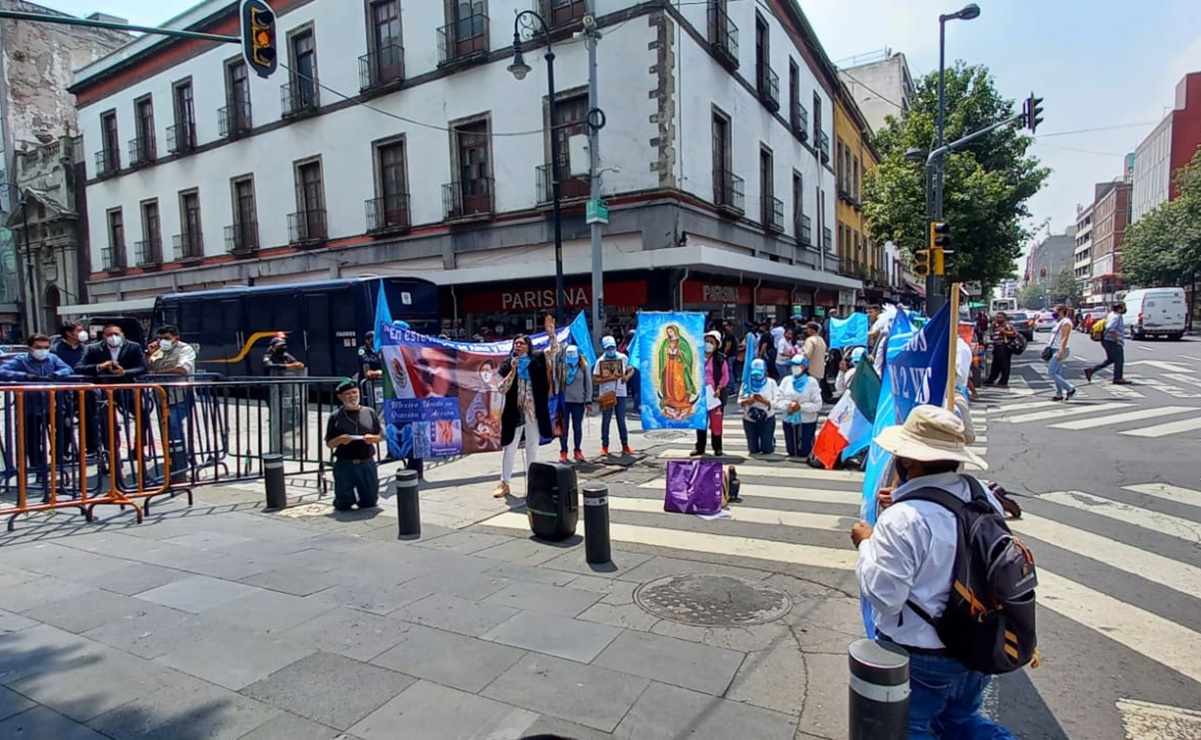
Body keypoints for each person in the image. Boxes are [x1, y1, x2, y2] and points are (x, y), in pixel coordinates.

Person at [850, 404, 1015, 739]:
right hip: (977, 641)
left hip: (923, 655)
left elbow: (885, 598)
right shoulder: (980, 493)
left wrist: (866, 544)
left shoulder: (905, 518)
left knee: (910, 728)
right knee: (961, 722)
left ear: (908, 461)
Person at [494, 315, 559, 498]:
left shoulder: (537, 358)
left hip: (534, 411)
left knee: (532, 446)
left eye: (521, 343)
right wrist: (513, 371)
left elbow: (554, 351)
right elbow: (501, 388)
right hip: (515, 411)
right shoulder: (508, 363)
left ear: (528, 345)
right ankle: (504, 482)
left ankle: (534, 482)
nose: (518, 346)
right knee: (510, 447)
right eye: (516, 343)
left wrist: (551, 334)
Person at [0, 334, 73, 475]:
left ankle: (59, 456)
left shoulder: (53, 359)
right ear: (30, 348)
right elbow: (2, 371)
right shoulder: (21, 360)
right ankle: (37, 467)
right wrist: (24, 377)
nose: (42, 350)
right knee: (32, 438)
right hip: (30, 407)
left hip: (52, 404)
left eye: (46, 347)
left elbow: (68, 369)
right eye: (38, 347)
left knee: (66, 427)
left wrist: (56, 375)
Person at [146, 325, 198, 481]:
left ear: (176, 338)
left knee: (173, 425)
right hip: (161, 396)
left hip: (180, 395)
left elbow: (182, 369)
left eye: (167, 338)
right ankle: (173, 461)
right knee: (166, 429)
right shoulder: (158, 351)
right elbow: (148, 367)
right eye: (160, 338)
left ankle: (180, 467)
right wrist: (149, 354)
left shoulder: (185, 349)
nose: (162, 341)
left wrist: (156, 374)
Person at [324, 379, 384, 511]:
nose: (352, 396)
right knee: (344, 504)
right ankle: (344, 499)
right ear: (340, 397)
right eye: (348, 394)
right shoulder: (335, 416)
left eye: (354, 392)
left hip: (366, 462)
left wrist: (373, 438)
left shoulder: (369, 412)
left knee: (370, 502)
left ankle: (363, 496)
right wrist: (340, 439)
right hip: (345, 463)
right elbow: (329, 443)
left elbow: (380, 436)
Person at [52, 322, 97, 459]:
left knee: (90, 418)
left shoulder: (86, 349)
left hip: (85, 388)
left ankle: (91, 449)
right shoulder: (56, 350)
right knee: (64, 421)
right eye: (79, 330)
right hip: (63, 390)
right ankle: (63, 452)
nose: (82, 333)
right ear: (69, 333)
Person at [775, 355, 822, 459]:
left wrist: (801, 407)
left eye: (797, 365)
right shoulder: (786, 381)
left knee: (804, 451)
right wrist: (789, 406)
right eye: (793, 365)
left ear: (804, 367)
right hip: (789, 419)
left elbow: (818, 404)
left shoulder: (812, 382)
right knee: (792, 451)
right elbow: (778, 400)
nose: (794, 368)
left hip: (806, 421)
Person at [595, 335, 634, 455]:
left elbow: (631, 369)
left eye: (612, 347)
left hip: (620, 393)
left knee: (621, 420)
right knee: (606, 420)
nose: (610, 350)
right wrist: (607, 379)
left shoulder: (622, 358)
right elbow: (595, 378)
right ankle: (605, 446)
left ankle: (625, 445)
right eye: (608, 348)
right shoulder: (600, 361)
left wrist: (626, 377)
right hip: (606, 393)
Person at [693, 331, 730, 457]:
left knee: (716, 423)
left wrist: (719, 387)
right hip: (700, 394)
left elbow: (725, 376)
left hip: (715, 396)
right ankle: (700, 447)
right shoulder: (697, 357)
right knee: (700, 422)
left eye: (711, 342)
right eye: (706, 341)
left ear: (717, 345)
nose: (708, 344)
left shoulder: (720, 359)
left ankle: (717, 448)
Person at [75, 324, 147, 382]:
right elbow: (79, 368)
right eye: (109, 335)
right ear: (104, 337)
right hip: (103, 389)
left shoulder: (134, 347)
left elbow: (142, 367)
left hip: (126, 389)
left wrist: (124, 372)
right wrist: (100, 366)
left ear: (122, 335)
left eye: (116, 334)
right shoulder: (92, 348)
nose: (113, 337)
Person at [737, 358, 779, 455]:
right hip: (750, 418)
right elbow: (739, 400)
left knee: (767, 450)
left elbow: (777, 402)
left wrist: (764, 401)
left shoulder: (771, 383)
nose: (756, 376)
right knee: (753, 449)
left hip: (767, 417)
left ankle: (770, 440)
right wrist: (746, 401)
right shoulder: (746, 384)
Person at [559, 345, 592, 463]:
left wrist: (588, 400)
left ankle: (577, 450)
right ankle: (563, 451)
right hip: (564, 402)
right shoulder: (562, 367)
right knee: (564, 428)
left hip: (578, 401)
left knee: (577, 427)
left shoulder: (584, 367)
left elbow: (588, 384)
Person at [1085, 303, 1129, 385]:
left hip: (1106, 340)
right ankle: (1118, 378)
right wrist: (1116, 338)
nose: (1124, 309)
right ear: (1120, 308)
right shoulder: (1116, 316)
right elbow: (1110, 327)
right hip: (1112, 341)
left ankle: (1091, 370)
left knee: (1111, 359)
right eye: (1123, 307)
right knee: (1119, 360)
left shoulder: (1110, 315)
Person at [1048, 305, 1076, 402]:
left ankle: (1070, 388)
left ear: (1061, 311)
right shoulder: (1059, 322)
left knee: (1051, 372)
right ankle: (1059, 394)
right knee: (1057, 373)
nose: (1053, 313)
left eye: (1055, 311)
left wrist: (1061, 351)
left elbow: (1064, 338)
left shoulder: (1066, 322)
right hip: (1054, 349)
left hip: (1060, 349)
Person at [984, 312, 1017, 387]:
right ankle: (991, 379)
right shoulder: (995, 325)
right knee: (995, 364)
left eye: (1001, 317)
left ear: (1004, 318)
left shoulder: (1007, 325)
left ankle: (1004, 381)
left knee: (1004, 365)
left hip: (1004, 347)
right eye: (997, 317)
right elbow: (993, 335)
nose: (998, 319)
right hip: (996, 347)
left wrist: (1004, 331)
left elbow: (1014, 333)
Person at [800, 322, 828, 394]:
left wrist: (800, 352)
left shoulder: (810, 340)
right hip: (820, 369)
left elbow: (807, 354)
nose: (806, 330)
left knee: (810, 389)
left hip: (811, 369)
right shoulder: (821, 340)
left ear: (813, 330)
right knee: (817, 388)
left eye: (807, 328)